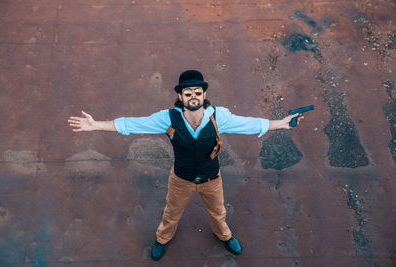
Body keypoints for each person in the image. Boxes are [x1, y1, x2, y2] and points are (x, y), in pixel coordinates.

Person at [68, 70, 304, 261]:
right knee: (171, 213)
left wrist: (281, 123)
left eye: (197, 92)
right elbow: (133, 124)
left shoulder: (217, 117)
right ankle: (162, 239)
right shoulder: (167, 118)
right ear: (180, 96)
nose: (193, 96)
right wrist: (96, 125)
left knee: (218, 212)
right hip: (181, 179)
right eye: (188, 93)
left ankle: (224, 235)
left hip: (212, 179)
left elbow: (250, 124)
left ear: (204, 95)